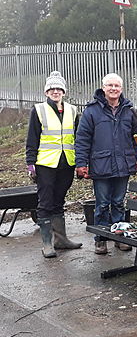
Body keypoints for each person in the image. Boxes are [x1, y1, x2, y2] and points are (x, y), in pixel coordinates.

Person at [75, 73, 137, 255]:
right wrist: (81, 163)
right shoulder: (91, 111)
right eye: (110, 85)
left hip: (123, 164)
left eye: (117, 86)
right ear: (103, 87)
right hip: (101, 165)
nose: (113, 89)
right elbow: (82, 139)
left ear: (121, 89)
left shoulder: (129, 111)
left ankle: (119, 238)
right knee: (103, 203)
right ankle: (101, 239)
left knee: (119, 203)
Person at [25, 71, 82, 258]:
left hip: (67, 162)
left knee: (59, 200)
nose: (55, 91)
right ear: (46, 92)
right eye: (52, 89)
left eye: (58, 88)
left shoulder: (72, 111)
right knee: (46, 203)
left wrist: (80, 160)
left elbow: (78, 138)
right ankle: (47, 243)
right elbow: (32, 138)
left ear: (64, 91)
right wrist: (30, 163)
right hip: (46, 164)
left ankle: (61, 239)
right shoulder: (39, 110)